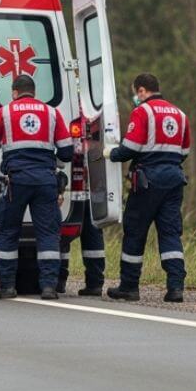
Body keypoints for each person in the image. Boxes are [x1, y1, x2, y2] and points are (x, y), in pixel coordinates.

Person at [0, 74, 74, 300]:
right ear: (34, 91)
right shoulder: (52, 113)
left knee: (8, 231)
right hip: (45, 181)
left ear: (14, 92)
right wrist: (54, 159)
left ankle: (7, 286)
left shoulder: (5, 112)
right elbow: (67, 152)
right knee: (49, 234)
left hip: (16, 181)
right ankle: (49, 287)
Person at [107, 73, 191, 303]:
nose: (136, 97)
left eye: (137, 92)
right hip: (174, 179)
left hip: (147, 180)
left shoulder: (142, 112)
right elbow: (184, 152)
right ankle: (175, 288)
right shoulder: (180, 114)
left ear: (142, 90)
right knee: (170, 233)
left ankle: (129, 287)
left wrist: (111, 153)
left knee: (135, 231)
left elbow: (130, 147)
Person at [58, 116, 107, 296]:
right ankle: (95, 284)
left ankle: (59, 281)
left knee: (62, 233)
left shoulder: (70, 114)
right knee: (92, 235)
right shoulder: (96, 113)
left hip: (73, 188)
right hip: (92, 188)